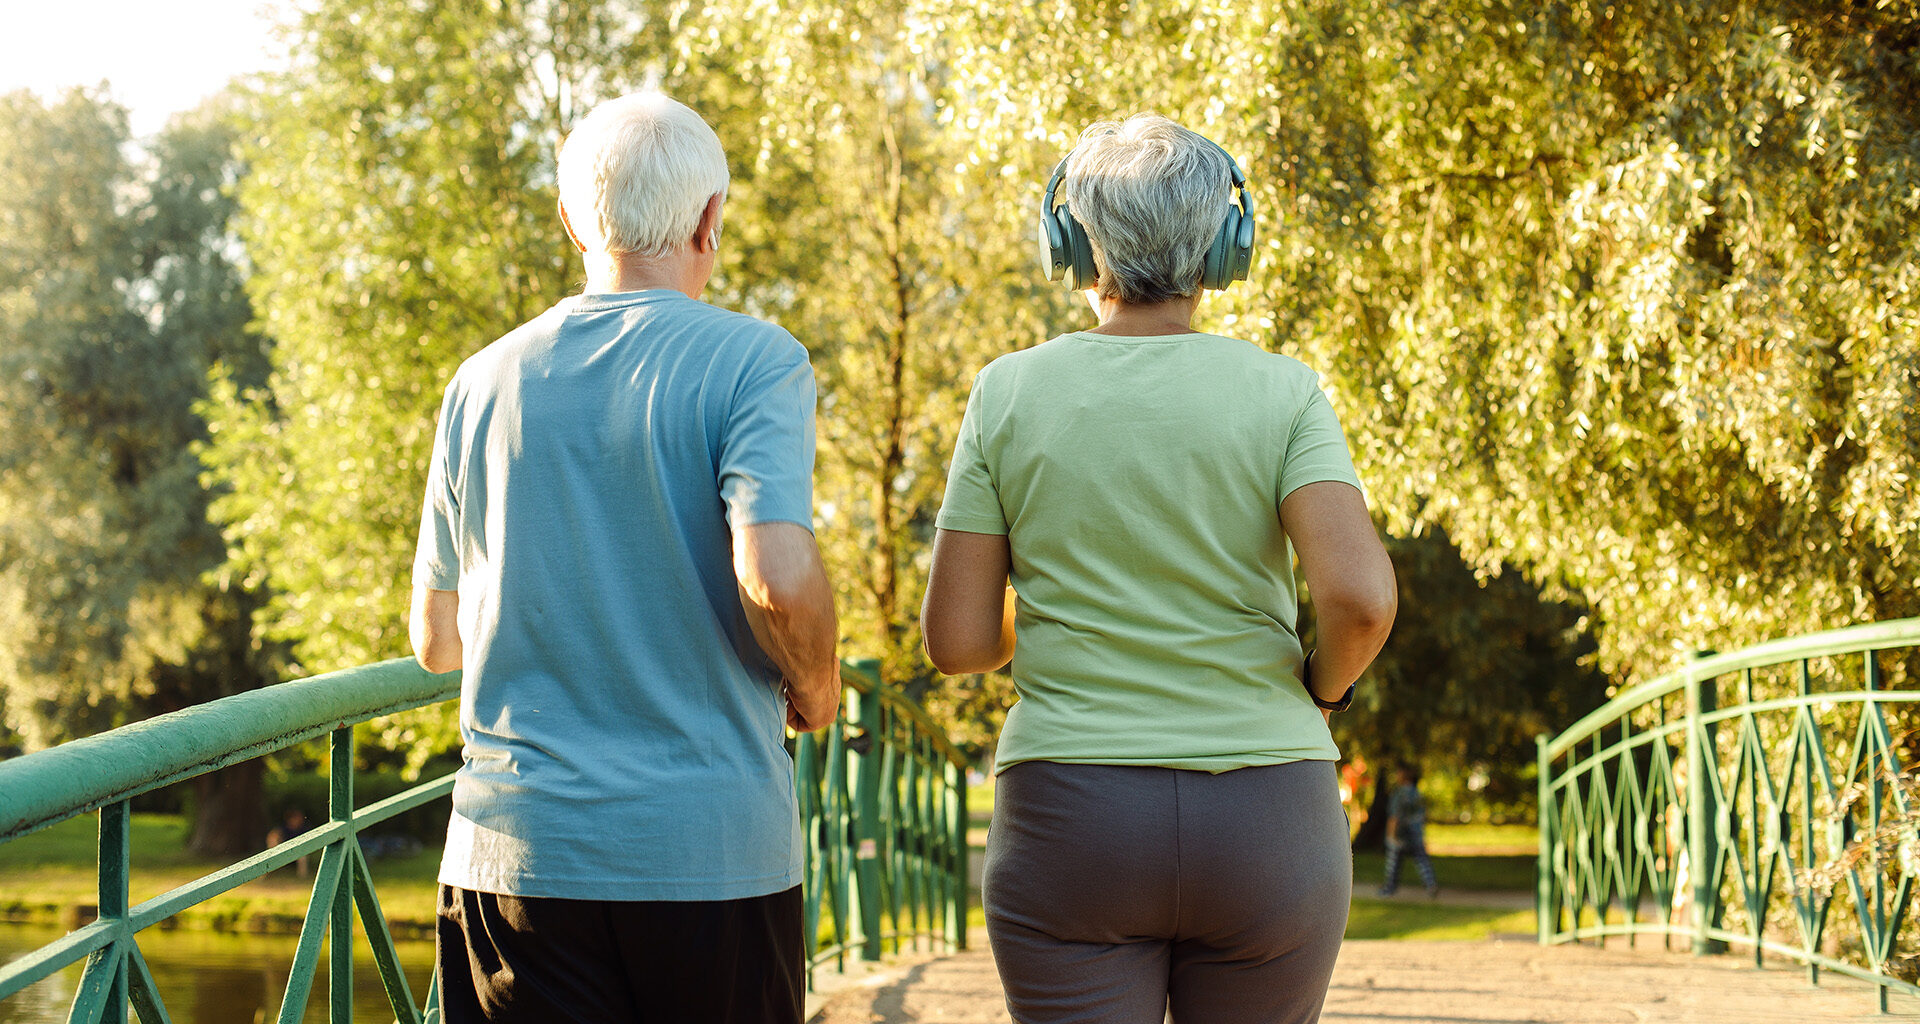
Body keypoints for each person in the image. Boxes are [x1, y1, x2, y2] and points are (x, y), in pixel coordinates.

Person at [922, 114, 1397, 1024]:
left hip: (1071, 820)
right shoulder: (1284, 390)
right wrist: (1324, 691)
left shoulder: (1006, 391)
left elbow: (957, 642)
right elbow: (1362, 601)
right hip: (1270, 820)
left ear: (1069, 242)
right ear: (1225, 246)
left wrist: (1062, 609)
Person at [408, 91, 840, 1024]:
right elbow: (776, 575)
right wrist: (817, 682)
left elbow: (437, 642)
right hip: (711, 856)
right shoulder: (757, 361)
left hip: (514, 856)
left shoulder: (479, 381)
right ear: (710, 219)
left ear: (571, 221)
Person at [1379, 765, 1439, 899]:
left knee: (1393, 862)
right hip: (1416, 832)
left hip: (1400, 832)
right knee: (1421, 860)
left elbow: (1394, 816)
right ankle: (1430, 884)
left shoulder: (1399, 793)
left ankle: (1389, 888)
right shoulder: (1416, 793)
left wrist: (1390, 835)